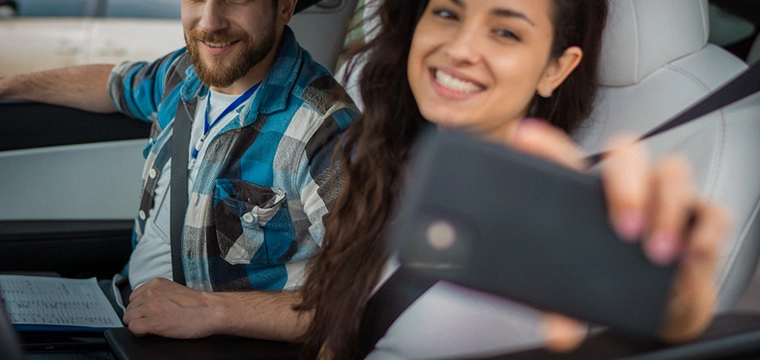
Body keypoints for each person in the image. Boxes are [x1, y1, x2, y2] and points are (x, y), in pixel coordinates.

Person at [296, 0, 731, 359]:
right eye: (447, 13)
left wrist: (670, 305)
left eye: (506, 32)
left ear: (555, 70)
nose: (461, 48)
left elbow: (632, 310)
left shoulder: (557, 224)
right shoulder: (385, 160)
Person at [0, 0, 358, 341]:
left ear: (284, 6)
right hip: (123, 309)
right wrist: (11, 85)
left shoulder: (327, 133)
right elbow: (114, 84)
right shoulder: (185, 73)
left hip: (212, 342)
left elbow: (361, 301)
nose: (209, 22)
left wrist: (210, 311)